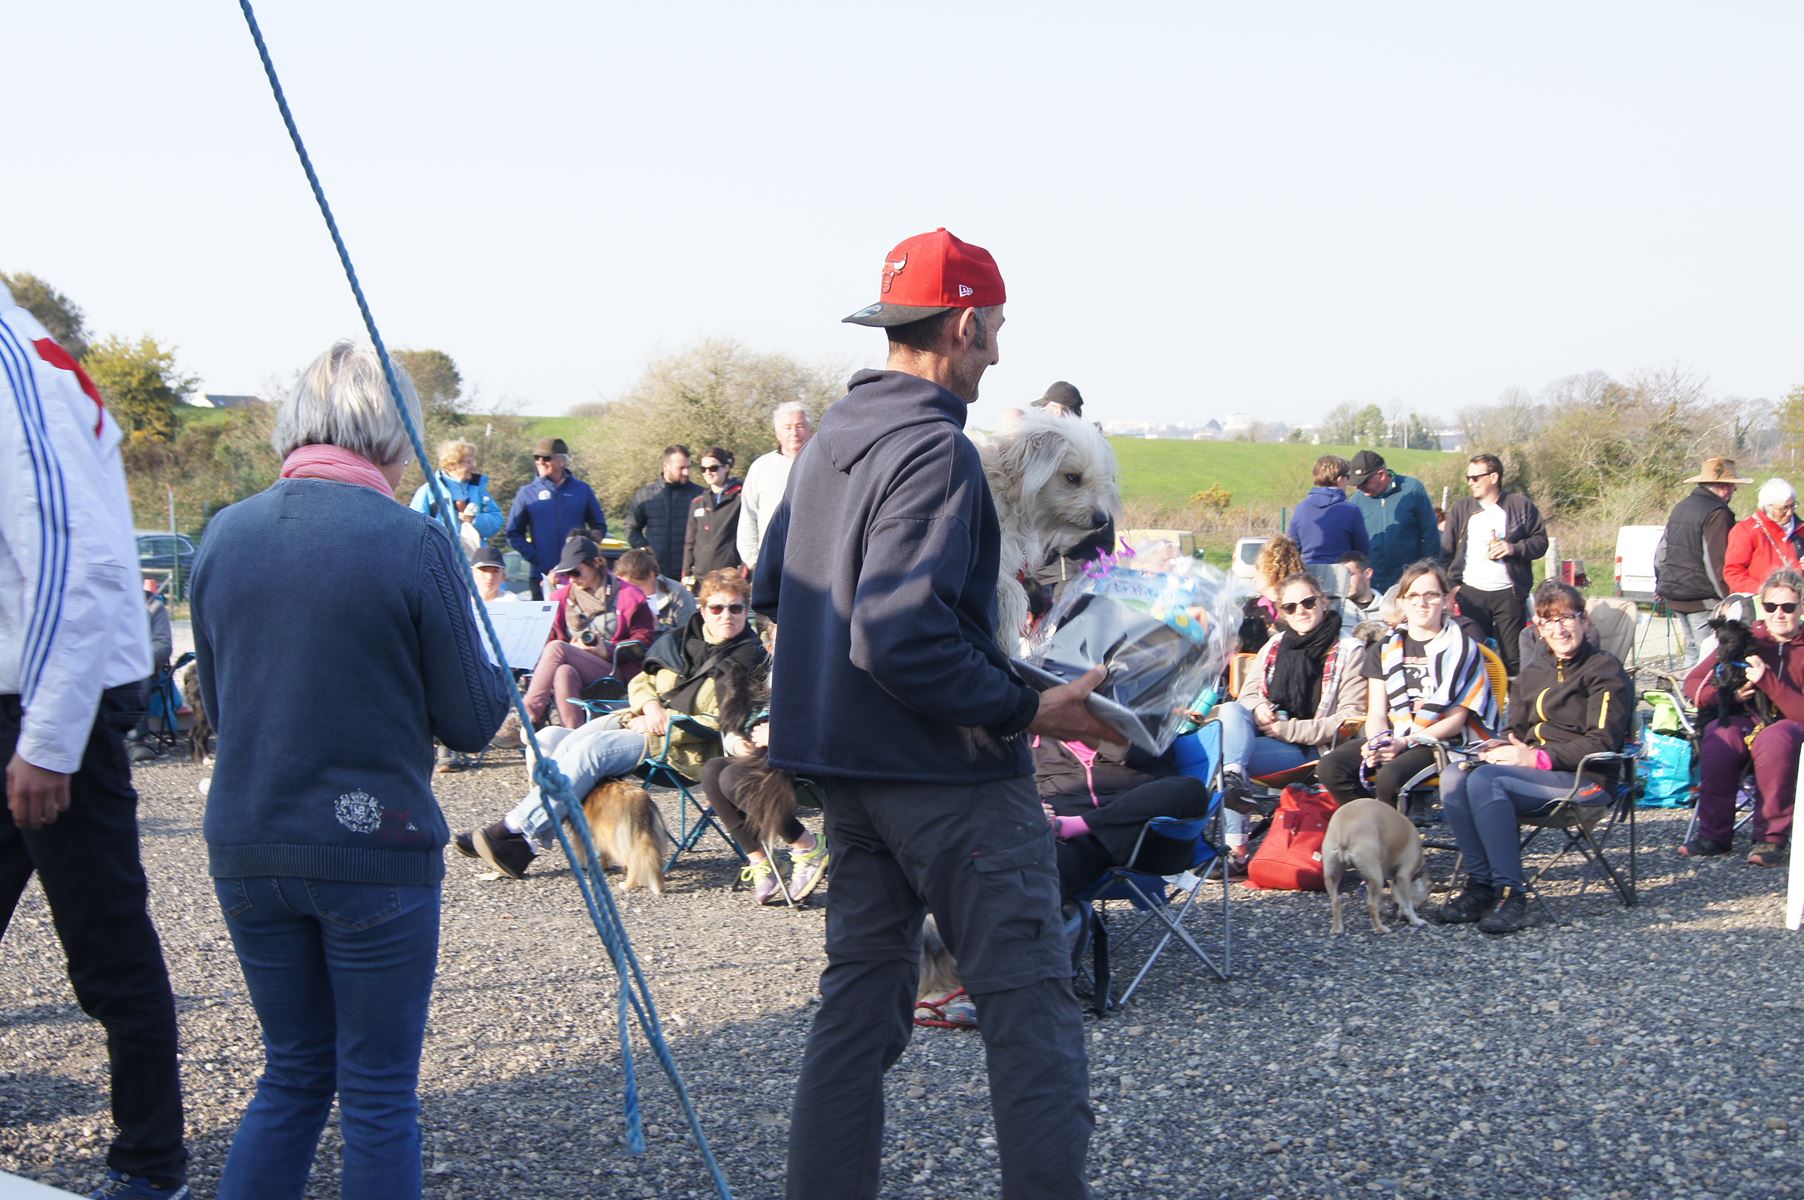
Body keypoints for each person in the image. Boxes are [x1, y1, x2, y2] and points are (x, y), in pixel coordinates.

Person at [754, 226, 1112, 1200]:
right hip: (950, 781)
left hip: (851, 783)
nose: (995, 353)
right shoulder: (936, 450)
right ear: (961, 327)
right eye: (993, 329)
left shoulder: (829, 440)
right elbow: (899, 635)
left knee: (857, 1013)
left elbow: (777, 592)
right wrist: (1029, 706)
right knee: (1030, 1015)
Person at [191, 340, 510, 1200]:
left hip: (249, 843)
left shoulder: (222, 534)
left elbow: (219, 703)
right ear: (392, 433)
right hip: (373, 849)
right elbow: (472, 719)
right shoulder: (414, 541)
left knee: (292, 1073)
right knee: (376, 1094)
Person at [1, 284, 192, 1200]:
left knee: (105, 943)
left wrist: (48, 738)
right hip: (34, 686)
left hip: (45, 697)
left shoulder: (13, 362)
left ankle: (151, 1166)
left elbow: (70, 560)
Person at [463, 570, 770, 879]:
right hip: (637, 717)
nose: (726, 616)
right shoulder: (681, 639)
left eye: (735, 608)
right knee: (552, 739)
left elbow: (725, 722)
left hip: (682, 744)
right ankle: (525, 845)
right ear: (703, 610)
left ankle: (512, 829)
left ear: (745, 610)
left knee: (593, 750)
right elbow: (641, 681)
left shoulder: (750, 659)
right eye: (717, 608)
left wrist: (662, 723)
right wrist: (649, 706)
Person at [1435, 580, 1633, 934]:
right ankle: (1480, 886)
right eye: (1548, 621)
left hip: (1586, 779)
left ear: (1584, 620)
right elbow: (1515, 728)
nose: (1559, 629)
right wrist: (1499, 747)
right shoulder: (1533, 673)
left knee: (1486, 781)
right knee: (1455, 775)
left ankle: (1511, 894)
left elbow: (1602, 742)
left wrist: (1536, 759)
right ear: (1539, 629)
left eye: (1566, 617)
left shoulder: (1604, 670)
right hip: (1534, 777)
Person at [1214, 571, 1368, 869]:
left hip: (1315, 749)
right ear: (1282, 612)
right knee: (1231, 712)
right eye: (1290, 607)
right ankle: (1234, 781)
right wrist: (1259, 708)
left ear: (1323, 602)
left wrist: (1286, 729)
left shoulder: (1349, 650)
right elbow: (1247, 696)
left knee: (1226, 754)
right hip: (1266, 735)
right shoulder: (1274, 646)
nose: (1301, 611)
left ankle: (1236, 851)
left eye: (1308, 602)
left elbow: (1348, 719)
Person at [1316, 561, 1498, 809]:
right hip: (1394, 733)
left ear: (1445, 600)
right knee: (1330, 767)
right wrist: (1378, 742)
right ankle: (1372, 821)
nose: (1421, 603)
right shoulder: (1384, 649)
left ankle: (1391, 831)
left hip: (1441, 741)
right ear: (1401, 601)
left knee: (1390, 776)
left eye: (1431, 595)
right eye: (1413, 595)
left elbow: (1456, 722)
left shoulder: (1463, 650)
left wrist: (1406, 742)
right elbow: (1377, 713)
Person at [1678, 566, 1804, 868]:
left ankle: (1770, 838)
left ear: (1801, 608)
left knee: (1775, 738)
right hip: (1746, 719)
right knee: (1721, 734)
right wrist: (1728, 696)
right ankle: (1713, 835)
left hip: (1792, 726)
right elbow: (1692, 683)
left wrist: (1767, 681)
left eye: (1788, 607)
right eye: (1771, 606)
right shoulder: (1746, 638)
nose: (1778, 614)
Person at [521, 536, 655, 730]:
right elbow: (548, 641)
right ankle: (572, 734)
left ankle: (529, 713)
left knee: (557, 648)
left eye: (575, 572)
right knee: (564, 671)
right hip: (574, 666)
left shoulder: (629, 595)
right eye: (567, 574)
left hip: (617, 672)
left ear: (596, 563)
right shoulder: (561, 598)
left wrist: (606, 651)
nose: (571, 579)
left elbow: (644, 642)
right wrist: (573, 649)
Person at [1442, 453, 1547, 676]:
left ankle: (1513, 697)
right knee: (1474, 654)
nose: (1470, 483)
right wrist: (1451, 588)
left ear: (1493, 477)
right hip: (1471, 593)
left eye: (1475, 478)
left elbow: (1540, 542)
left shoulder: (1520, 505)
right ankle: (1479, 696)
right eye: (1468, 478)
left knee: (1513, 657)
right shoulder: (1461, 508)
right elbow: (1446, 552)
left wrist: (1513, 548)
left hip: (1509, 593)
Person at [1657, 456, 1749, 664]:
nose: (1733, 491)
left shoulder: (1681, 507)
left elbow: (1661, 551)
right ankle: (1696, 686)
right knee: (1708, 657)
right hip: (1702, 598)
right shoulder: (1718, 513)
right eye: (1733, 487)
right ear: (1723, 487)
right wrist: (1728, 598)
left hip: (1674, 594)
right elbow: (1716, 562)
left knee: (1692, 651)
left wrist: (1660, 582)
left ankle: (1685, 685)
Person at [504, 437, 606, 599]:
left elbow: (599, 527)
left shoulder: (582, 490)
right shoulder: (526, 493)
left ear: (562, 461)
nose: (540, 462)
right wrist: (537, 558)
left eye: (546, 458)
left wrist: (583, 554)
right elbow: (513, 533)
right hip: (541, 576)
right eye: (536, 458)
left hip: (577, 576)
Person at [1346, 449, 1440, 592]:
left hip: (1409, 582)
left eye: (1364, 482)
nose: (1359, 487)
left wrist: (1426, 573)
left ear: (1381, 475)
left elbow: (1430, 535)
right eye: (1356, 483)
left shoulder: (1412, 490)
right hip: (1373, 585)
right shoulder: (1356, 501)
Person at [738, 402, 814, 573]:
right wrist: (753, 560)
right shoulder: (761, 467)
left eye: (800, 426)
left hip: (812, 563)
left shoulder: (824, 465)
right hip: (769, 562)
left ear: (811, 430)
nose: (794, 433)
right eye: (787, 427)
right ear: (777, 433)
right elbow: (748, 516)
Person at [408, 437, 502, 552]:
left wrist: (474, 520)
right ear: (452, 464)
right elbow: (413, 526)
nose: (474, 465)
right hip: (440, 556)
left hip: (475, 558)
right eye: (469, 462)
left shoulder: (479, 491)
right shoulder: (428, 491)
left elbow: (496, 519)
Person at [627, 444, 704, 583]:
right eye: (681, 468)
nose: (686, 472)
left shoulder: (700, 496)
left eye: (688, 467)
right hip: (655, 573)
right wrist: (644, 549)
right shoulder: (646, 495)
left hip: (689, 574)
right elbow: (631, 528)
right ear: (666, 467)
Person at [125, 578, 175, 764]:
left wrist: (136, 660)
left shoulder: (154, 606)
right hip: (106, 666)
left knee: (137, 675)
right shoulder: (105, 604)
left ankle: (135, 741)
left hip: (143, 668)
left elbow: (163, 645)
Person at [1724, 478, 1802, 597]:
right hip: (1760, 601)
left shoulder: (1801, 529)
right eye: (1784, 508)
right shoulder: (1745, 531)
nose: (1789, 513)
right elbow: (1733, 573)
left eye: (1793, 506)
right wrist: (1763, 591)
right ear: (1767, 507)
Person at [1290, 454, 1369, 566]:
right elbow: (1362, 551)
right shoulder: (1351, 511)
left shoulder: (1301, 508)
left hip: (1308, 572)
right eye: (1347, 477)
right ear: (1340, 479)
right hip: (1341, 572)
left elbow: (1292, 548)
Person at [682, 445, 743, 583]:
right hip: (701, 578)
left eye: (713, 468)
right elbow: (690, 542)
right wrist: (686, 573)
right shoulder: (698, 502)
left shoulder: (741, 499)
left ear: (726, 467)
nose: (708, 472)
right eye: (703, 469)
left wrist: (744, 571)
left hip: (729, 577)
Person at [614, 548, 698, 632]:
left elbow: (688, 634)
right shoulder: (615, 594)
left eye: (636, 586)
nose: (630, 592)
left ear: (652, 575)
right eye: (625, 586)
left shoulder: (678, 594)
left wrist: (657, 626)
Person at [1336, 550, 1388, 627]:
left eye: (1349, 575)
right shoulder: (1335, 611)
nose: (1344, 581)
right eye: (1341, 576)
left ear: (1368, 573)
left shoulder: (1389, 609)